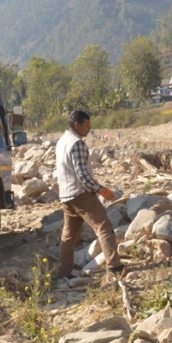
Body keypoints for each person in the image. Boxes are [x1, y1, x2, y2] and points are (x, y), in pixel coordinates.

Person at [53, 110, 123, 280]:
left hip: (66, 196)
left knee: (68, 236)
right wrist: (101, 189)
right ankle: (114, 267)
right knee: (104, 227)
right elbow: (82, 174)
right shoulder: (77, 144)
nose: (88, 129)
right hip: (81, 194)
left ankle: (62, 274)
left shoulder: (62, 141)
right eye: (86, 126)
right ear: (77, 125)